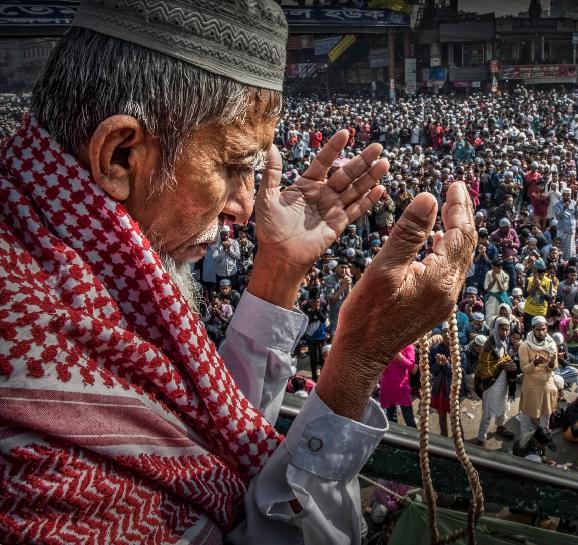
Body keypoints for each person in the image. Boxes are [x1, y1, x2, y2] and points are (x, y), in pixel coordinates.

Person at [0, 3, 478, 542]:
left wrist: (277, 274)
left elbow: (204, 435)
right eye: (231, 167)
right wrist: (359, 359)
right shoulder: (30, 436)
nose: (245, 208)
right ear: (120, 154)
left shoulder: (49, 255)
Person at [475, 317, 516, 445]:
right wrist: (502, 365)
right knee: (488, 411)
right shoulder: (489, 344)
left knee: (503, 405)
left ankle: (500, 426)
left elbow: (503, 357)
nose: (504, 332)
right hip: (491, 382)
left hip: (502, 380)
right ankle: (481, 438)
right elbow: (483, 368)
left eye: (506, 329)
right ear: (496, 328)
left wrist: (510, 358)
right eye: (502, 329)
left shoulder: (504, 342)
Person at [518, 316, 559, 438]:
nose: (541, 332)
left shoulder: (551, 344)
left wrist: (551, 363)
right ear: (532, 329)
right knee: (526, 415)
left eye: (544, 329)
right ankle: (524, 440)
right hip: (531, 384)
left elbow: (555, 366)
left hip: (547, 383)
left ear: (547, 328)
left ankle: (543, 442)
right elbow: (524, 369)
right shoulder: (525, 346)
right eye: (538, 330)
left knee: (545, 416)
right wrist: (535, 363)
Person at [378, 344, 418, 428]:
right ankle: (394, 440)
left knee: (409, 418)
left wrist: (400, 357)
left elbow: (412, 366)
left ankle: (414, 440)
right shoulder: (388, 344)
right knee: (391, 418)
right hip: (387, 387)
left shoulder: (408, 345)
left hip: (402, 388)